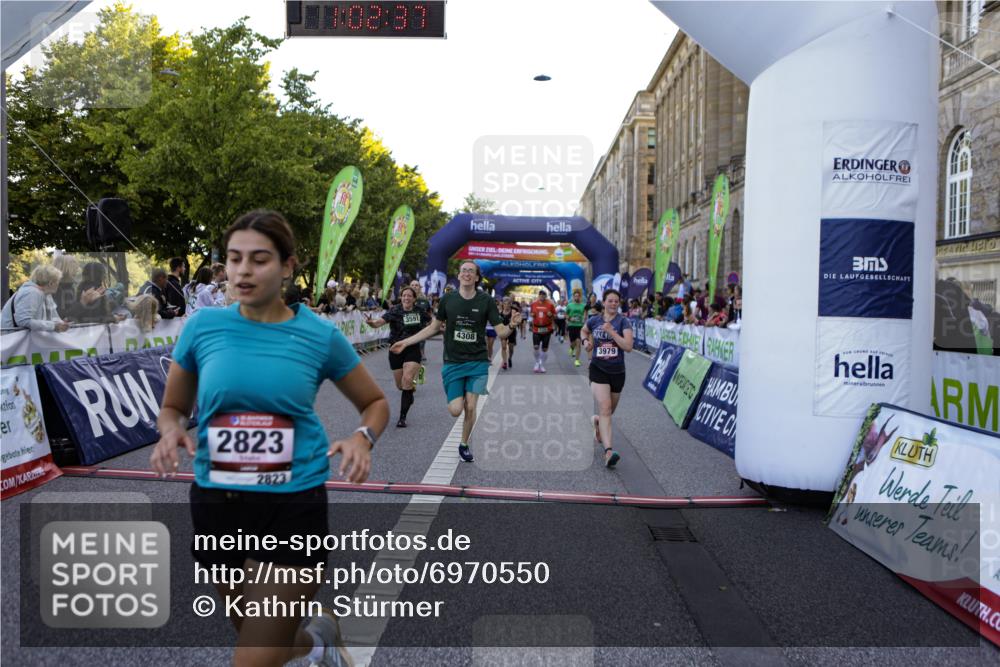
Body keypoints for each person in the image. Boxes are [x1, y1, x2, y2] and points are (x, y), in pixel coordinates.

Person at [151, 209, 388, 667]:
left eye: (259, 259)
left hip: (292, 504)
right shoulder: (203, 327)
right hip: (216, 503)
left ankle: (314, 641)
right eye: (235, 258)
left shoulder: (319, 335)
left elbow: (375, 403)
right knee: (267, 641)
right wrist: (170, 433)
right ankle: (319, 644)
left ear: (288, 266)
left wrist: (362, 438)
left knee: (253, 658)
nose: (242, 270)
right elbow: (173, 408)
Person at [389, 261, 520, 462]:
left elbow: (501, 331)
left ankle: (464, 444)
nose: (466, 273)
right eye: (463, 270)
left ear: (476, 278)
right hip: (453, 362)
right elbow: (433, 328)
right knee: (455, 410)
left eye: (471, 271)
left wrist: (511, 324)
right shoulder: (447, 299)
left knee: (470, 406)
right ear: (459, 276)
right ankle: (458, 414)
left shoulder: (485, 301)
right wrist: (405, 342)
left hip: (477, 361)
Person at [364, 286, 431, 427]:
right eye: (404, 296)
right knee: (401, 385)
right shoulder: (394, 310)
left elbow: (432, 324)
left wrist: (442, 327)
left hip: (412, 348)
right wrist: (371, 323)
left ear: (414, 298)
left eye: (409, 296)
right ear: (401, 297)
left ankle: (402, 418)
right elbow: (379, 323)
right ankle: (409, 393)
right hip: (395, 350)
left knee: (407, 379)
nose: (406, 298)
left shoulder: (420, 311)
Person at [581, 289, 633, 468]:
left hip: (618, 372)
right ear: (603, 303)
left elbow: (628, 347)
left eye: (616, 301)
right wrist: (585, 342)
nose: (613, 304)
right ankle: (609, 452)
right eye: (610, 301)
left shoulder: (623, 321)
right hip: (598, 369)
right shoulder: (594, 320)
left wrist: (612, 332)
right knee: (605, 407)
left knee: (607, 413)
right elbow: (583, 330)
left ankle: (597, 422)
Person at [1, 264, 70, 332]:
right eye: (57, 281)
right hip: (11, 338)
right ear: (51, 283)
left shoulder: (46, 294)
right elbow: (23, 320)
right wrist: (53, 326)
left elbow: (52, 317)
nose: (58, 284)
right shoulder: (32, 293)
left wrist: (61, 324)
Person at [528, 289, 557, 374]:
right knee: (536, 347)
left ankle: (542, 364)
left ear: (545, 296)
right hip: (536, 328)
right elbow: (531, 314)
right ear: (538, 296)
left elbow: (555, 315)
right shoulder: (533, 304)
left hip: (547, 329)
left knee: (544, 348)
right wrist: (531, 316)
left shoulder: (550, 305)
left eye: (543, 295)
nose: (542, 296)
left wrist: (551, 315)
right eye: (540, 295)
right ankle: (537, 362)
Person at [565, 289, 587, 368]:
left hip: (580, 326)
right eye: (575, 296)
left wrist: (584, 317)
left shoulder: (583, 305)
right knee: (573, 342)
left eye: (578, 296)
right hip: (572, 325)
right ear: (573, 297)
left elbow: (585, 314)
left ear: (580, 297)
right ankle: (571, 347)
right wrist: (570, 319)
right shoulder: (569, 305)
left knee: (578, 342)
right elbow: (566, 315)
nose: (577, 297)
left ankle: (577, 360)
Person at [500, 297, 518, 370]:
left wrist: (514, 322)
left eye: (508, 304)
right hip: (503, 331)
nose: (506, 305)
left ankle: (510, 358)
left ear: (510, 304)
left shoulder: (513, 312)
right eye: (505, 304)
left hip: (511, 331)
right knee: (503, 347)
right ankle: (504, 362)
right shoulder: (500, 312)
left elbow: (516, 320)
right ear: (503, 304)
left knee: (511, 348)